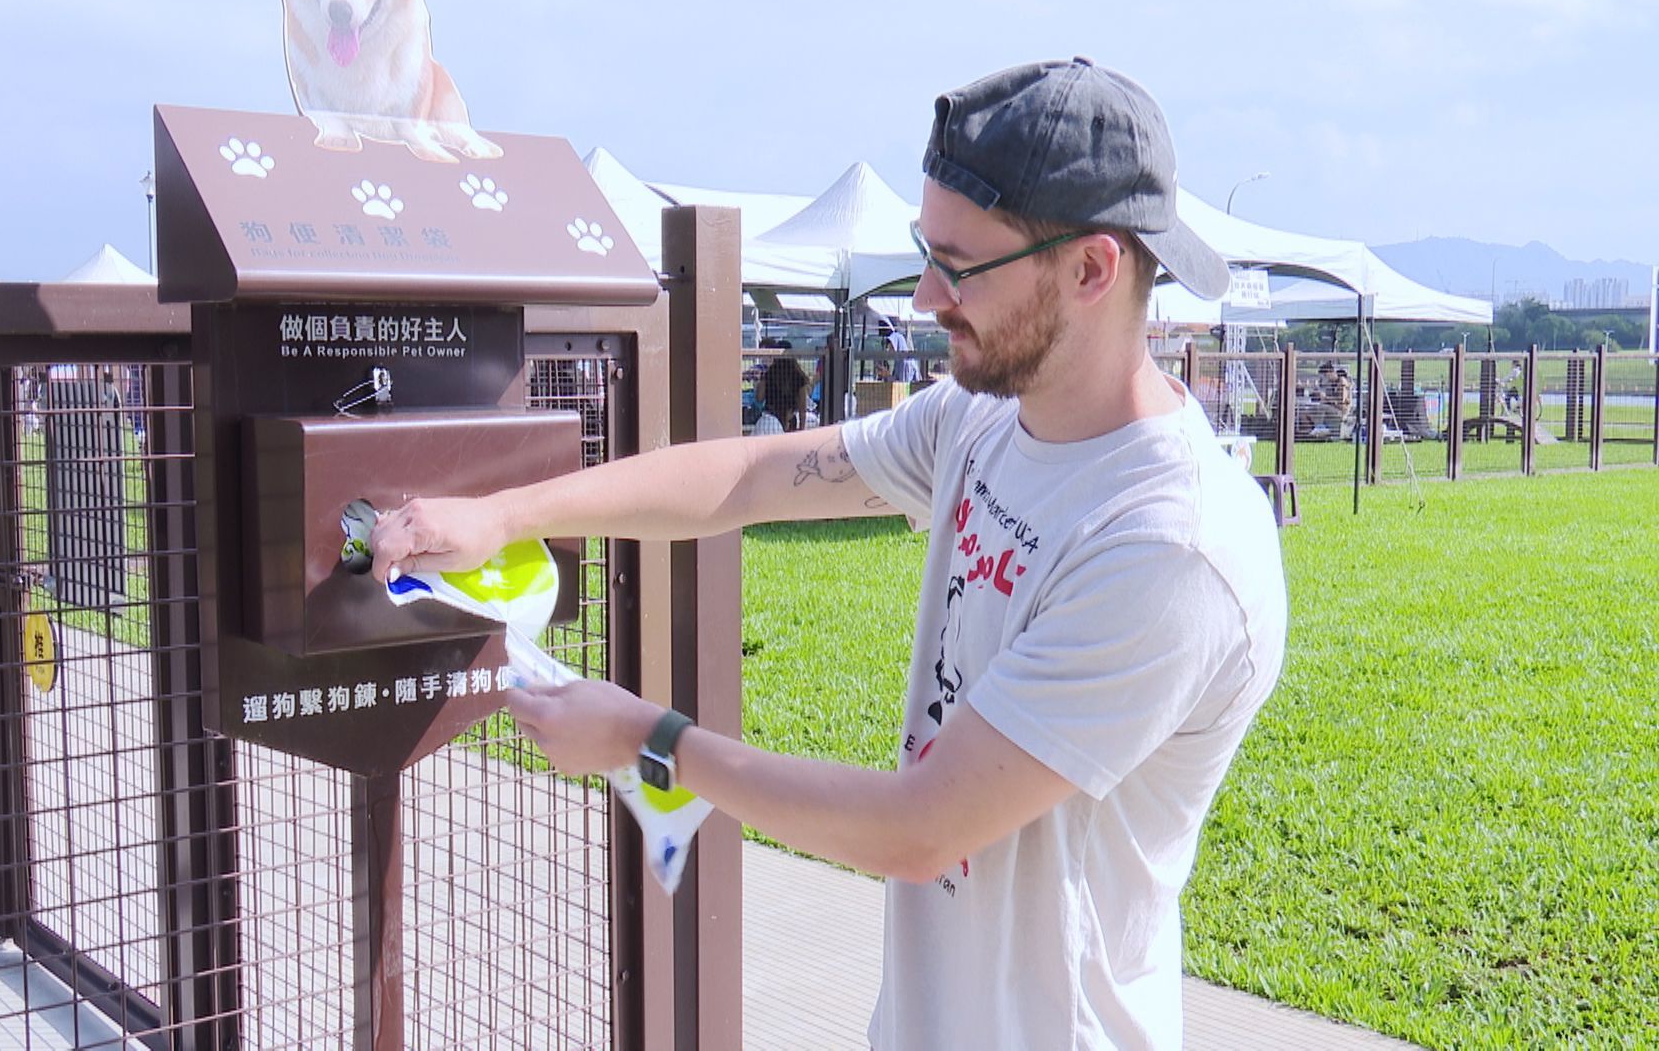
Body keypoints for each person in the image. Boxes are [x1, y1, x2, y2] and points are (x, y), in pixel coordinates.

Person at [370, 57, 1287, 1049]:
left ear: (1092, 270)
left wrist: (652, 740)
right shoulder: (980, 423)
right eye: (923, 250)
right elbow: (755, 476)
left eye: (961, 264)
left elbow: (920, 828)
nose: (928, 295)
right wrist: (506, 515)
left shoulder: (1167, 548)